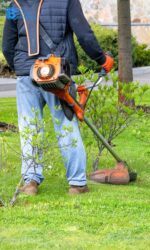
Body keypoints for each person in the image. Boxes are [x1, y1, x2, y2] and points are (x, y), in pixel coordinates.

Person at [1, 0, 114, 195]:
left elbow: (7, 45)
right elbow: (84, 34)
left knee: (30, 125)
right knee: (65, 124)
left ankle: (31, 181)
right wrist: (102, 59)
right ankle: (77, 184)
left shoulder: (15, 5)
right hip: (56, 72)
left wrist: (22, 67)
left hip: (26, 74)